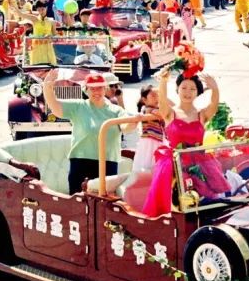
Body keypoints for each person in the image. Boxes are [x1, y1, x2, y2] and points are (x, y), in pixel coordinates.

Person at [144, 68, 227, 215]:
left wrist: (215, 88)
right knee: (175, 205)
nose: (187, 92)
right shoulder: (170, 113)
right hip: (174, 164)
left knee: (206, 205)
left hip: (199, 162)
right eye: (184, 88)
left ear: (198, 92)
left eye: (192, 89)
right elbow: (162, 100)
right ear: (177, 89)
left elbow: (214, 105)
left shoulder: (202, 114)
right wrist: (163, 81)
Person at [42, 71, 135, 194]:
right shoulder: (78, 106)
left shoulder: (116, 111)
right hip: (81, 162)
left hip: (108, 163)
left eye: (100, 88)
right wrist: (47, 86)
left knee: (105, 205)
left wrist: (136, 121)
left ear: (105, 89)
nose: (96, 92)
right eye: (92, 89)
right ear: (86, 90)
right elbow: (55, 106)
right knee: (78, 205)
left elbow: (126, 127)